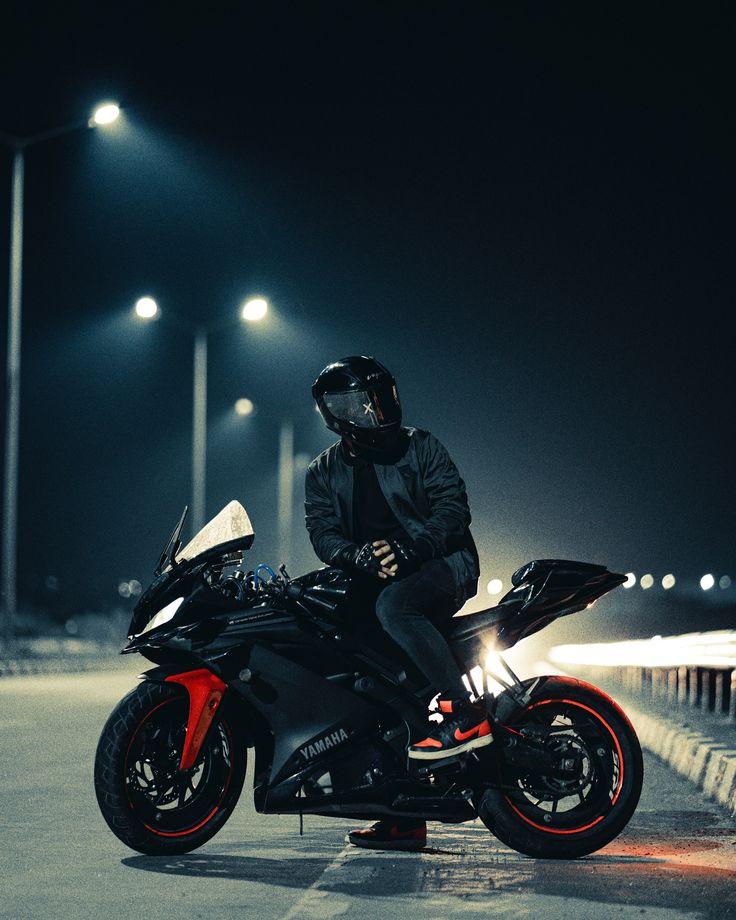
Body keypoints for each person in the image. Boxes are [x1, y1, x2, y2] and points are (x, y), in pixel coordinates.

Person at [305, 355, 489, 851]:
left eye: (381, 398)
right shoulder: (323, 472)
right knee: (362, 673)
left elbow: (453, 508)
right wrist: (356, 555)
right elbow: (322, 534)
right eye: (363, 404)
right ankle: (402, 815)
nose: (376, 411)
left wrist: (411, 548)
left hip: (442, 566)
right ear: (337, 414)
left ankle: (465, 713)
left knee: (394, 608)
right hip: (373, 578)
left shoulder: (421, 446)